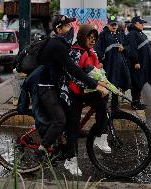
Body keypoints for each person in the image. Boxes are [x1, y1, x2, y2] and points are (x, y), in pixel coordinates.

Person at [34, 15, 108, 155]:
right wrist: (95, 84)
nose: (71, 29)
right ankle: (42, 149)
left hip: (57, 84)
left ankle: (67, 145)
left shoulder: (64, 44)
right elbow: (73, 69)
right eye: (67, 26)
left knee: (74, 120)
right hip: (47, 86)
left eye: (70, 25)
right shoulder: (58, 45)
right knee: (60, 120)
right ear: (58, 29)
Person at [61, 24, 110, 176]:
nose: (92, 41)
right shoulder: (75, 52)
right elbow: (75, 76)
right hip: (73, 92)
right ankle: (70, 160)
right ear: (82, 37)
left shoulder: (90, 51)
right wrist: (96, 86)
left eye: (94, 39)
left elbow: (93, 71)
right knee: (73, 128)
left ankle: (100, 135)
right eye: (89, 38)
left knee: (102, 106)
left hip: (85, 89)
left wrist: (103, 82)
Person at [94, 16, 131, 111]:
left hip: (120, 65)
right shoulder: (103, 35)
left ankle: (115, 108)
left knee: (116, 85)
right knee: (106, 84)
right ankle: (103, 107)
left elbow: (128, 45)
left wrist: (124, 48)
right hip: (108, 65)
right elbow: (98, 48)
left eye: (115, 24)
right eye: (112, 24)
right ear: (108, 24)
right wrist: (101, 61)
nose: (114, 26)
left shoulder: (120, 33)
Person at [126, 16, 151, 110]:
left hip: (143, 64)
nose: (142, 25)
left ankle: (137, 101)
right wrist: (135, 61)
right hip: (137, 64)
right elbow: (132, 49)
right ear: (135, 23)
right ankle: (135, 103)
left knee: (140, 82)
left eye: (143, 23)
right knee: (137, 83)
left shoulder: (139, 33)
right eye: (141, 23)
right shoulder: (133, 34)